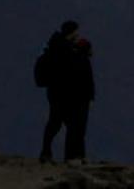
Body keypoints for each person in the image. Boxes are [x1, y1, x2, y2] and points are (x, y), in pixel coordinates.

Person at [39, 20, 95, 164]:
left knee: (57, 123)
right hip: (62, 94)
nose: (77, 35)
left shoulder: (57, 45)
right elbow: (72, 73)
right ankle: (70, 156)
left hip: (57, 92)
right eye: (75, 32)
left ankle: (51, 153)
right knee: (65, 124)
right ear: (71, 32)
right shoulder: (64, 48)